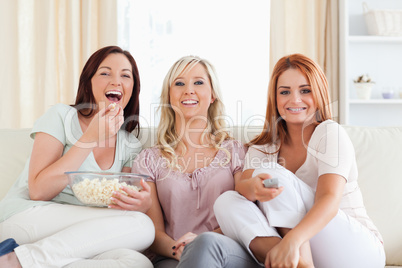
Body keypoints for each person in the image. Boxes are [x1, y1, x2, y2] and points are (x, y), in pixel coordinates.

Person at [213, 53, 386, 268]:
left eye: (305, 91)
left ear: (319, 93)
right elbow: (243, 186)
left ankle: (290, 252)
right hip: (310, 255)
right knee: (226, 201)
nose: (295, 100)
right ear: (274, 99)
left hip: (356, 250)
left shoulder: (329, 133)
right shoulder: (263, 148)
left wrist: (293, 240)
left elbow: (329, 200)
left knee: (273, 175)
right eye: (285, 92)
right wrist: (254, 189)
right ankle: (296, 263)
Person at [0, 46, 155, 267]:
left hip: (79, 235)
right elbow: (38, 191)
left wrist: (140, 203)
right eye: (105, 73)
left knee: (138, 262)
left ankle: (30, 261)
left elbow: (118, 207)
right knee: (142, 226)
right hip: (27, 217)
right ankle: (13, 261)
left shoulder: (130, 144)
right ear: (88, 82)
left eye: (125, 75)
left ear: (133, 88)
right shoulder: (61, 116)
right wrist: (90, 137)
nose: (116, 81)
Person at [131, 56, 258, 268]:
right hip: (173, 256)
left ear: (213, 94)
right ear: (169, 96)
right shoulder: (148, 160)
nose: (188, 90)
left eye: (198, 82)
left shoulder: (235, 151)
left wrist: (199, 245)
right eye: (179, 83)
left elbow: (244, 214)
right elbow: (154, 232)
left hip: (227, 251)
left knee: (205, 245)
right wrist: (180, 250)